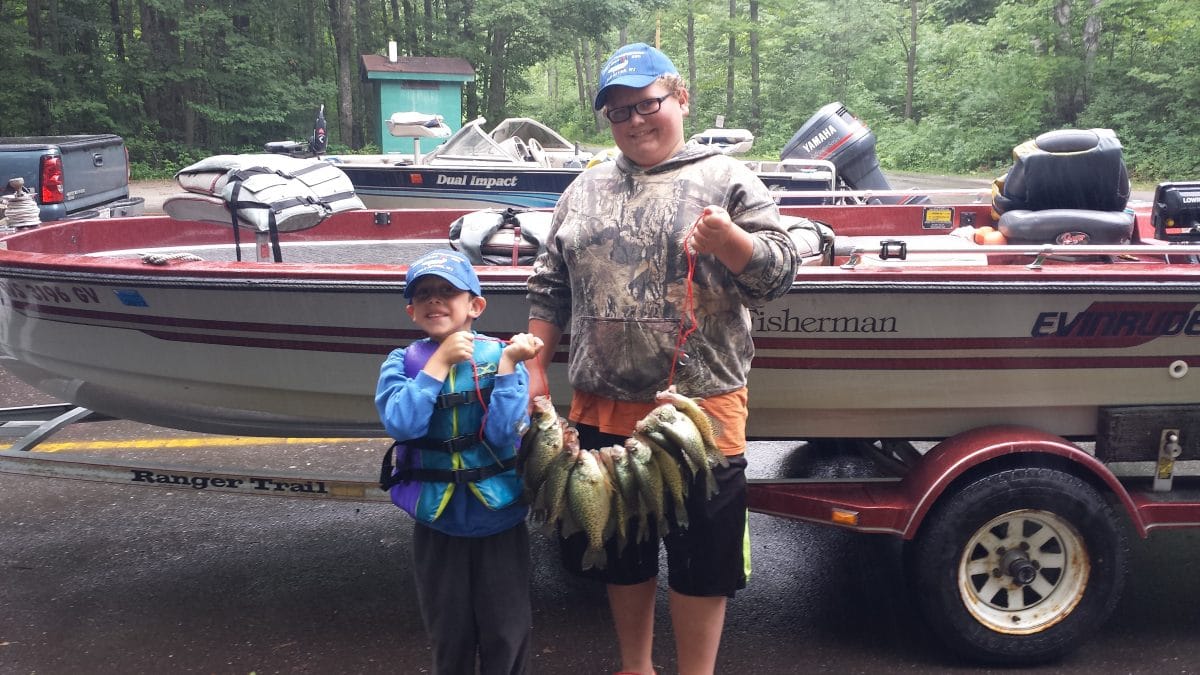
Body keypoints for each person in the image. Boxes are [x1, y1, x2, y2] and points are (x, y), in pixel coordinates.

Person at [525, 43, 799, 675]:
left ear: (680, 99)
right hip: (601, 409)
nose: (635, 121)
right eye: (618, 112)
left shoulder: (727, 178)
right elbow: (549, 283)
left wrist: (732, 241)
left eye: (648, 104)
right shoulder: (584, 186)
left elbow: (779, 274)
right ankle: (636, 666)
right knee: (621, 549)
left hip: (699, 415)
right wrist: (538, 359)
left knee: (703, 563)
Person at [377, 248, 543, 675]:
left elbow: (506, 434)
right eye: (425, 294)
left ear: (475, 306)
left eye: (447, 292)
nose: (435, 300)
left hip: (500, 520)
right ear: (412, 311)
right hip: (438, 522)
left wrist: (507, 368)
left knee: (506, 632)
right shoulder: (402, 363)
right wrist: (436, 366)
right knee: (449, 635)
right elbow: (403, 425)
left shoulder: (505, 357)